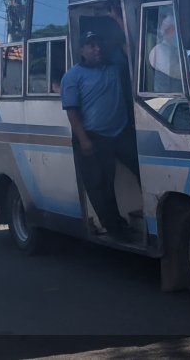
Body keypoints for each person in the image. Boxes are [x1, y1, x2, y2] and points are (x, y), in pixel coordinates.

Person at [60, 31, 138, 238]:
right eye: (91, 45)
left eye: (99, 44)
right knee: (101, 185)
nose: (97, 49)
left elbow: (134, 51)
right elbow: (72, 112)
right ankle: (114, 227)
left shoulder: (113, 68)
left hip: (121, 133)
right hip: (92, 137)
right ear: (81, 50)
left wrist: (120, 24)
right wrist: (84, 140)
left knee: (143, 169)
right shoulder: (73, 76)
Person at [149, 15, 183, 92]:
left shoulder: (175, 49)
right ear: (168, 31)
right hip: (169, 101)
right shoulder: (159, 51)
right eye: (175, 29)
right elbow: (179, 73)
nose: (179, 33)